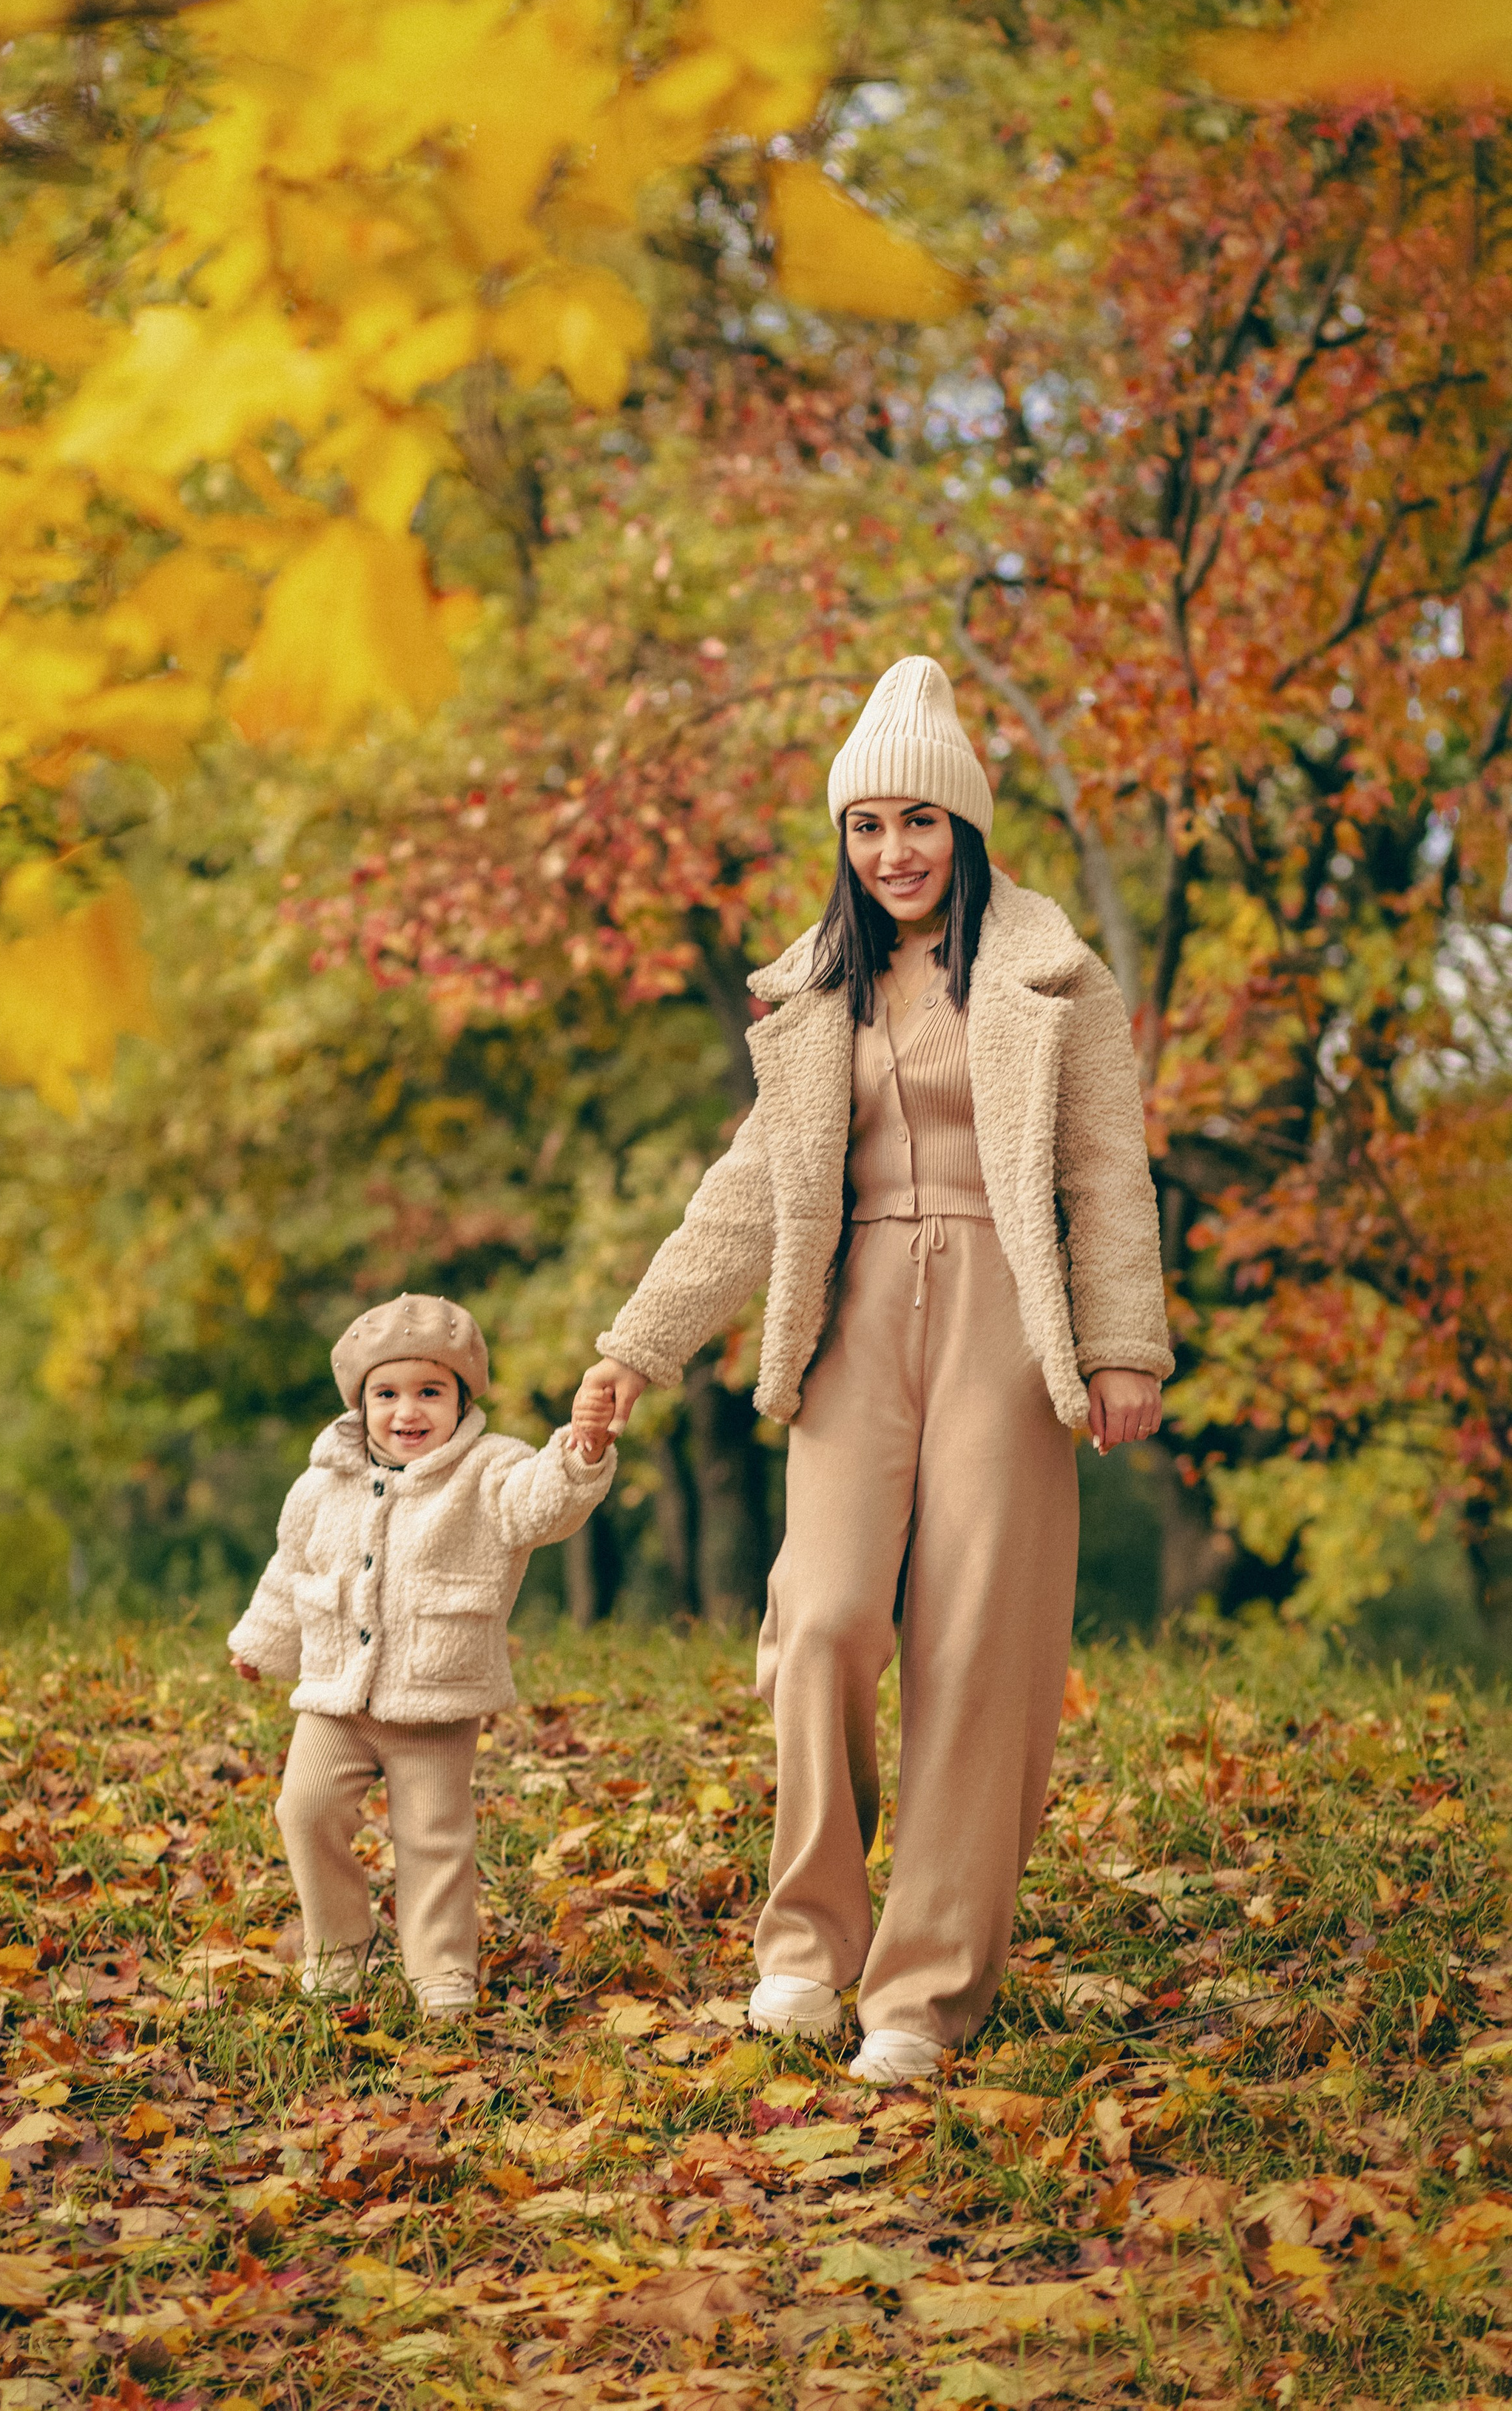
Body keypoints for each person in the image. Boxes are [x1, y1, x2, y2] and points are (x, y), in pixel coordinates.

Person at [567, 655, 1171, 2085]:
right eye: (865, 825)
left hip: (1006, 1326)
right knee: (826, 1614)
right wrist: (634, 1348)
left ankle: (926, 1984)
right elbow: (751, 1188)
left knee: (977, 1647)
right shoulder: (814, 991)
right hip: (847, 1320)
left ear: (964, 827)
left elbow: (1106, 1171)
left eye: (919, 821)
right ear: (841, 840)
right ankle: (808, 1940)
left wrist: (1125, 1343)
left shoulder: (1049, 973)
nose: (892, 850)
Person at [231, 1292, 615, 2017]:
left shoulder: (489, 1470)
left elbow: (541, 1504)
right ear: (360, 1401)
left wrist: (579, 1453)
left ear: (461, 1397)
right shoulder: (321, 1484)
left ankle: (440, 1967)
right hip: (337, 1695)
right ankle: (338, 1947)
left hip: (438, 1691)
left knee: (433, 1836)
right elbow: (292, 1569)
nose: (408, 1410)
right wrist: (261, 1641)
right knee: (303, 1806)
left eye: (429, 1391)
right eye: (388, 1393)